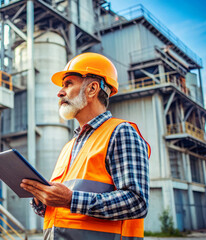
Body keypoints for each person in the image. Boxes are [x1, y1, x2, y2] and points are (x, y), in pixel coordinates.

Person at [20, 53, 150, 240]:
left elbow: (137, 203)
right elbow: (66, 212)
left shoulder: (121, 132)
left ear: (92, 89)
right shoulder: (69, 146)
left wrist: (71, 199)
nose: (60, 92)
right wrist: (43, 199)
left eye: (68, 84)